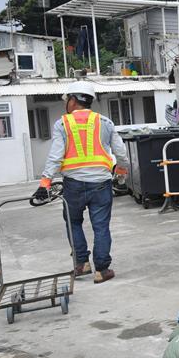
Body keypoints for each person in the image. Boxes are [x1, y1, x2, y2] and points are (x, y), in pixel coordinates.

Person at [33, 81, 129, 283]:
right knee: (101, 226)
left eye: (67, 100)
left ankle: (82, 264)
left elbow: (55, 156)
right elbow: (121, 153)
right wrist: (120, 169)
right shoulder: (106, 122)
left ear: (74, 100)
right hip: (101, 184)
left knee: (73, 222)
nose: (66, 104)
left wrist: (45, 183)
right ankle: (102, 270)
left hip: (74, 184)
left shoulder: (62, 124)